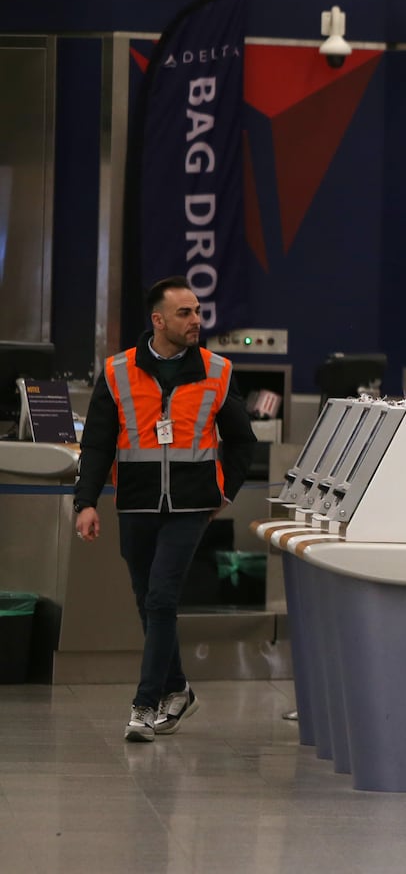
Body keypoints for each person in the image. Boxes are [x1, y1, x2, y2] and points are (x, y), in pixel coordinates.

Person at [72, 276, 257, 743]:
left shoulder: (217, 370)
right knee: (147, 600)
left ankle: (145, 703)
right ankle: (179, 689)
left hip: (192, 505)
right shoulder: (117, 371)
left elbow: (242, 441)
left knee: (161, 598)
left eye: (197, 311)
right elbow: (96, 444)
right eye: (185, 313)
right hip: (135, 502)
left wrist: (225, 494)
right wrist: (86, 503)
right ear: (158, 320)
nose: (196, 320)